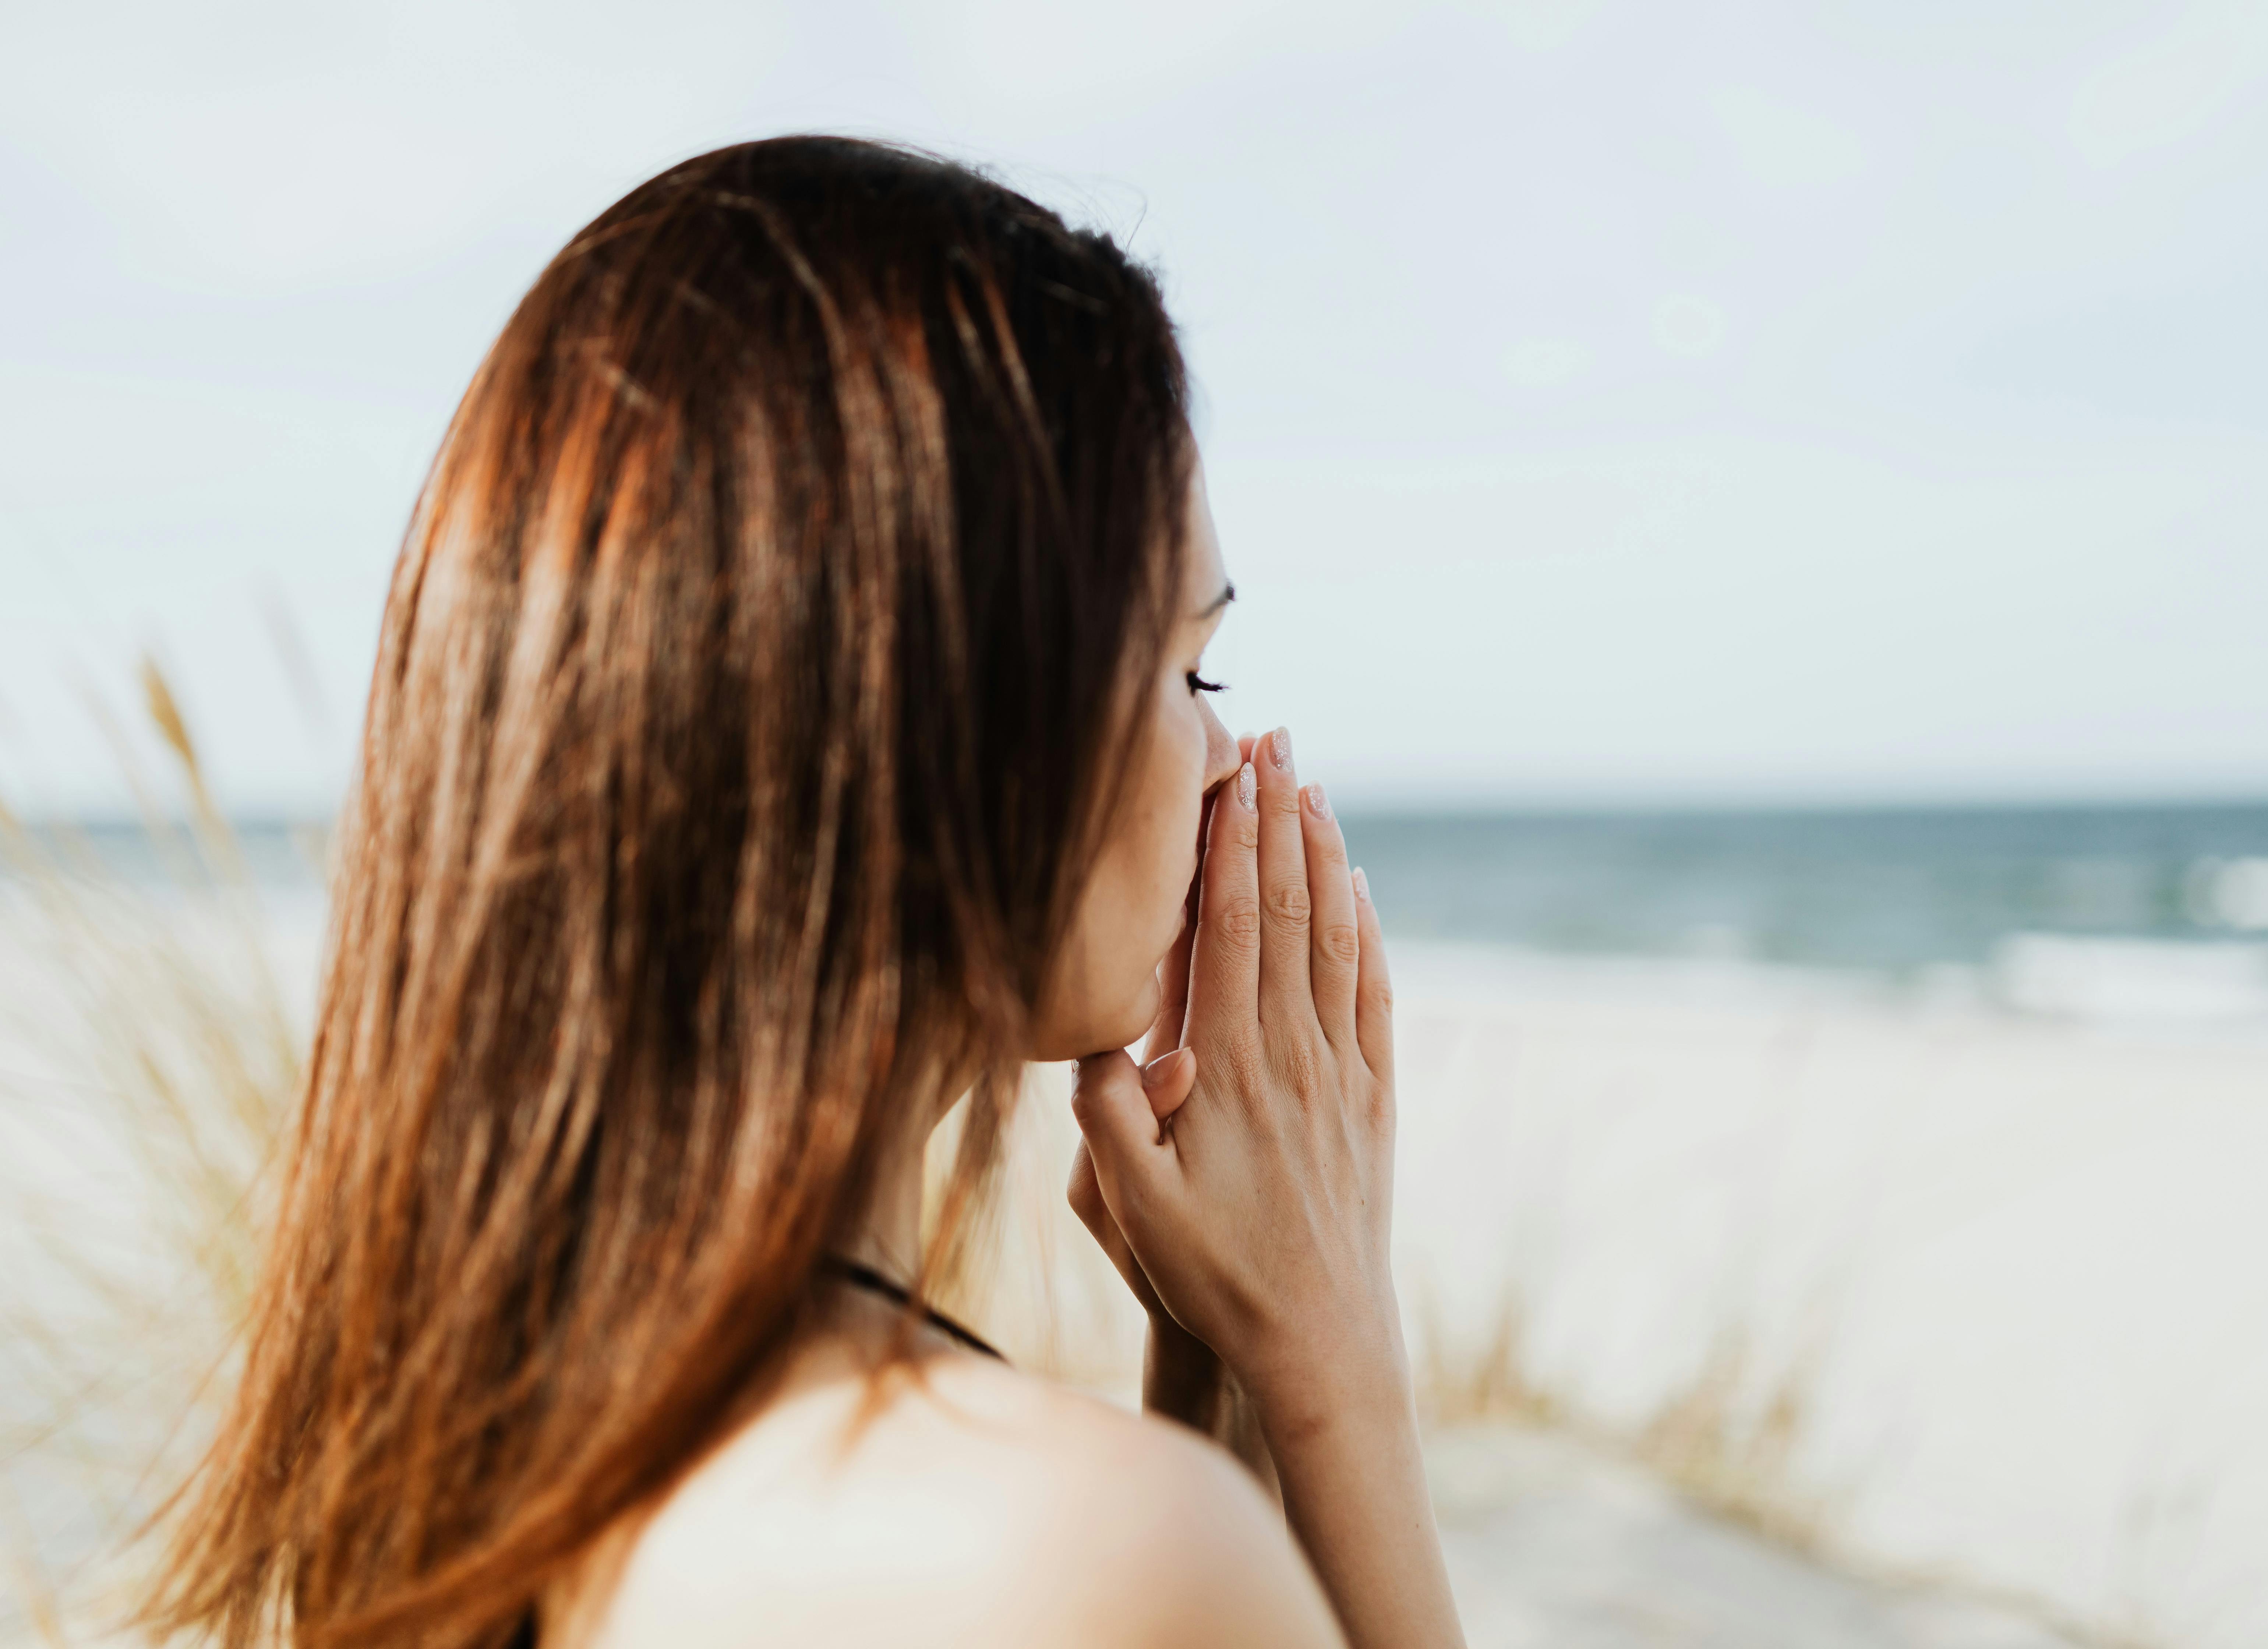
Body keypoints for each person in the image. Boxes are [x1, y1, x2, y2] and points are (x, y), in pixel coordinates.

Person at [144, 137, 1465, 1649]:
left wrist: (1211, 1359)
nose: (1227, 754)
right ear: (953, 714)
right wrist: (1337, 1372)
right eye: (1185, 665)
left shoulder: (454, 1433)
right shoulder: (1088, 1556)